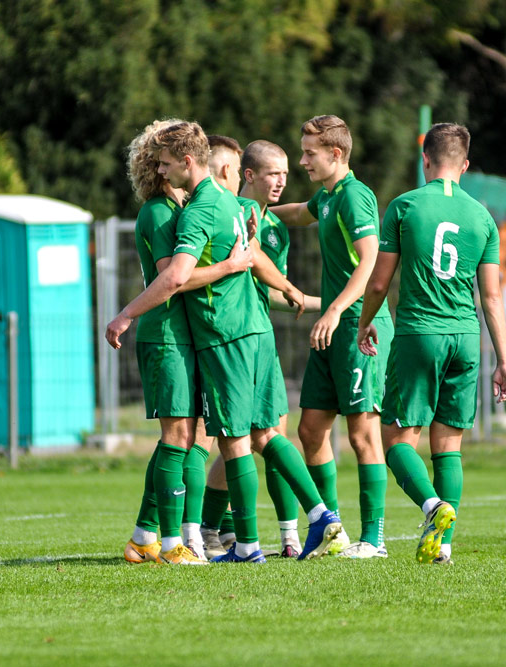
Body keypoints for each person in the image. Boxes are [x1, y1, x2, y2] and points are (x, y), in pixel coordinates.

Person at [107, 121, 342, 563]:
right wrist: (286, 287)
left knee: (227, 440)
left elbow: (176, 277)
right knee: (254, 434)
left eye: (166, 162)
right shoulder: (229, 205)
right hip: (245, 331)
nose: (161, 169)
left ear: (187, 162)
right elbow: (251, 257)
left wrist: (124, 315)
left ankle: (238, 543)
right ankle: (315, 517)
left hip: (223, 334)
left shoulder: (198, 209)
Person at [357, 122, 506, 564]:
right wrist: (504, 360)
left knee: (396, 440)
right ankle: (443, 546)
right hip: (466, 338)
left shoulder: (404, 206)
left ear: (425, 159)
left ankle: (432, 507)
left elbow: (379, 282)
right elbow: (492, 297)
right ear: (465, 165)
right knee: (448, 448)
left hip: (419, 334)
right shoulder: (483, 217)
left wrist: (364, 323)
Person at [121, 120, 252, 565]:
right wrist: (229, 266)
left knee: (185, 438)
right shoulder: (160, 212)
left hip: (183, 337)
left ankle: (145, 536)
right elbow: (172, 279)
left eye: (167, 160)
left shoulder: (183, 206)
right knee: (178, 437)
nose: (163, 168)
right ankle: (174, 544)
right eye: (158, 162)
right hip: (166, 337)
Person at [272, 115, 393, 559]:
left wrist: (336, 309)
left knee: (363, 434)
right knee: (310, 430)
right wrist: (248, 210)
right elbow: (297, 214)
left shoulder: (354, 197)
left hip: (360, 327)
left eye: (310, 153)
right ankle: (333, 530)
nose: (302, 161)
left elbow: (370, 262)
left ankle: (374, 539)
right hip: (333, 326)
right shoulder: (327, 197)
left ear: (336, 154)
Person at [200, 138, 322, 559]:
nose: (282, 182)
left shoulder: (274, 228)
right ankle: (205, 527)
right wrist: (313, 300)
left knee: (258, 435)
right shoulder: (228, 212)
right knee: (225, 439)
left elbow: (273, 290)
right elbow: (263, 282)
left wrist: (307, 299)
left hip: (256, 336)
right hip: (227, 335)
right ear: (247, 175)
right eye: (274, 174)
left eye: (286, 174)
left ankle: (285, 535)